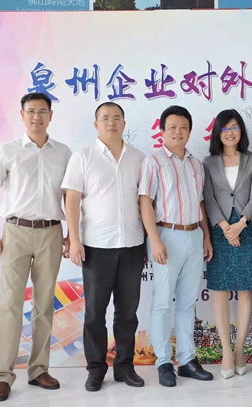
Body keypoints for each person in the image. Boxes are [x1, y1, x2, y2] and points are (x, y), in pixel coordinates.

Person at [0, 92, 72, 402]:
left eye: (42, 111)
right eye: (31, 111)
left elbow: (70, 197)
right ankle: (3, 376)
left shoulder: (63, 152)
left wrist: (72, 234)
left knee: (44, 303)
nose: (37, 116)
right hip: (15, 232)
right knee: (10, 304)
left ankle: (38, 369)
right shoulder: (7, 151)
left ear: (51, 115)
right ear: (22, 115)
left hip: (51, 232)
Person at [62, 102, 146, 392]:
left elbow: (145, 202)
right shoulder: (83, 156)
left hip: (132, 244)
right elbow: (72, 200)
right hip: (96, 246)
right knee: (95, 314)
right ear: (96, 124)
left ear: (124, 123)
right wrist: (74, 239)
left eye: (117, 118)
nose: (111, 122)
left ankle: (124, 367)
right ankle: (96, 369)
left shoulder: (138, 158)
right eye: (105, 118)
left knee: (127, 313)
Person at [139, 105, 214, 387]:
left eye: (183, 127)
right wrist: (154, 239)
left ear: (190, 131)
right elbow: (145, 202)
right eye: (172, 127)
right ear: (162, 131)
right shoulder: (154, 162)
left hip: (194, 235)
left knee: (187, 302)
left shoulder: (197, 165)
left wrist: (206, 236)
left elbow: (201, 203)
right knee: (162, 302)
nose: (178, 132)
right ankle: (163, 362)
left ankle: (187, 360)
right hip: (166, 235)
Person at [203, 109, 252, 379]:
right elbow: (208, 197)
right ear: (218, 132)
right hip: (220, 229)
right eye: (225, 128)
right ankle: (226, 351)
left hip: (247, 228)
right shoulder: (208, 162)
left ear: (241, 131)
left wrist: (242, 224)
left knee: (246, 290)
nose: (230, 132)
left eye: (234, 127)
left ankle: (240, 351)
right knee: (220, 290)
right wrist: (226, 227)